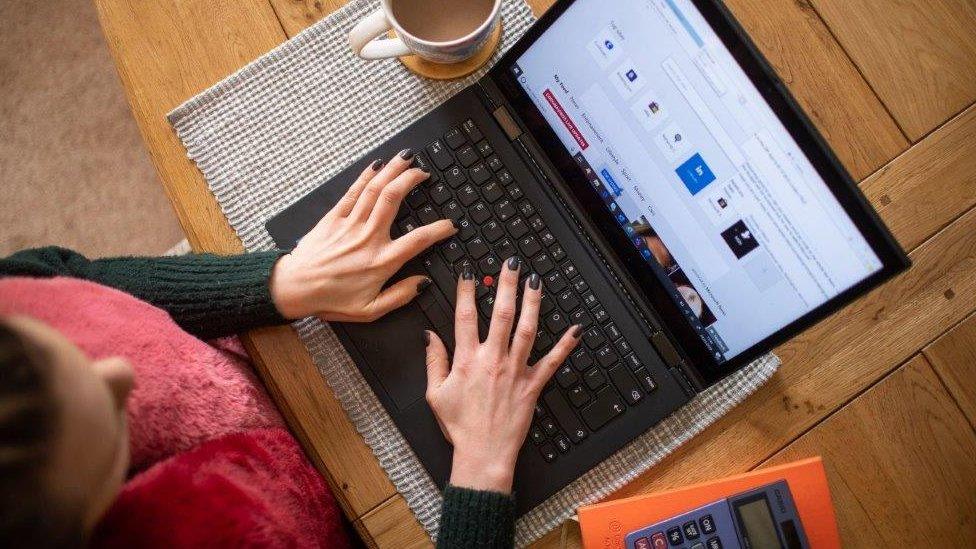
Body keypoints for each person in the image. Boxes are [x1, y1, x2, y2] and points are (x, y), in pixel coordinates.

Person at [0, 151, 580, 548]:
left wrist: (277, 283)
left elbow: (49, 275)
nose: (121, 372)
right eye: (104, 416)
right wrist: (483, 461)